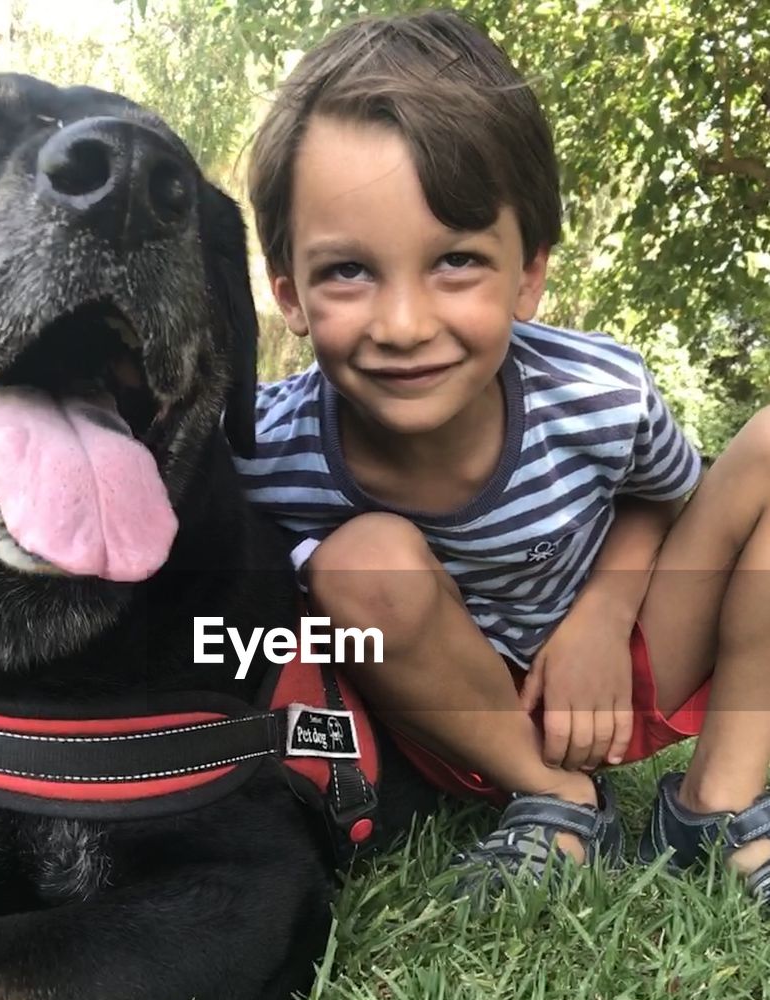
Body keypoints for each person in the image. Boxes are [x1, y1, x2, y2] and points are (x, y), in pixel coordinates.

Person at [236, 8, 770, 903]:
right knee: (365, 562)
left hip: (616, 670)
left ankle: (716, 803)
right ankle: (558, 801)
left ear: (527, 272)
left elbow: (661, 499)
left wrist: (601, 616)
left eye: (454, 261)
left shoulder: (597, 391)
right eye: (347, 272)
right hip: (457, 720)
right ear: (287, 290)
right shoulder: (257, 447)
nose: (404, 326)